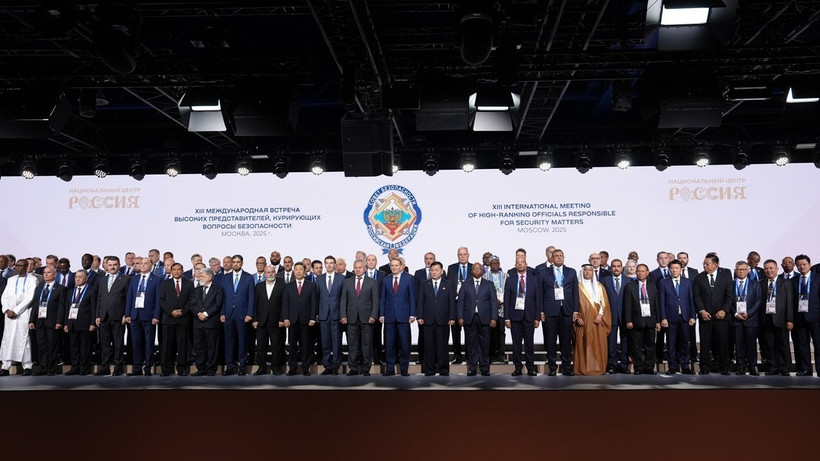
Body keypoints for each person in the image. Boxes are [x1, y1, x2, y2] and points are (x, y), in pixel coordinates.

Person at [693, 253, 734, 375]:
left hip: (721, 316)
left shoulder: (725, 275)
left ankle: (724, 366)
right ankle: (704, 367)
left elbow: (729, 295)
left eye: (707, 264)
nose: (705, 266)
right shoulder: (699, 277)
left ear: (716, 264)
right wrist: (702, 311)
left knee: (723, 342)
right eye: (704, 264)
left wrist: (724, 310)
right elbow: (697, 296)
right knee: (705, 343)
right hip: (705, 316)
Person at [539, 249, 578, 376]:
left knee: (566, 341)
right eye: (557, 256)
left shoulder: (571, 272)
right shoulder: (544, 273)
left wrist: (575, 310)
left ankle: (567, 367)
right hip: (550, 311)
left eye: (561, 256)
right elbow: (540, 294)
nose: (559, 258)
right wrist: (541, 311)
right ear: (552, 257)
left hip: (566, 310)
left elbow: (575, 293)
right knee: (550, 341)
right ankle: (552, 368)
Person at [457, 262, 497, 376]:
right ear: (472, 271)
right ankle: (472, 367)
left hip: (485, 318)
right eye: (474, 268)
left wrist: (494, 318)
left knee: (485, 344)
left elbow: (493, 302)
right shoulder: (465, 284)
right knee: (470, 344)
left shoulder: (489, 284)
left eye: (479, 268)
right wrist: (460, 316)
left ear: (482, 271)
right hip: (470, 318)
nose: (477, 270)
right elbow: (460, 302)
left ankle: (485, 368)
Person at [416, 261, 456, 376]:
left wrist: (452, 317)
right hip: (428, 320)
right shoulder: (424, 284)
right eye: (432, 270)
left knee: (443, 346)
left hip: (443, 320)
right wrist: (420, 316)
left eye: (436, 270)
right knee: (429, 346)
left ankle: (443, 369)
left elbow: (452, 303)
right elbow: (420, 302)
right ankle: (429, 369)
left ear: (442, 271)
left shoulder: (448, 284)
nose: (434, 272)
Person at [340, 260, 379, 376]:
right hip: (351, 318)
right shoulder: (347, 282)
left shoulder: (372, 282)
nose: (358, 269)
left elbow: (376, 301)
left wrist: (373, 315)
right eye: (355, 267)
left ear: (365, 269)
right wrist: (343, 315)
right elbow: (343, 300)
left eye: (360, 267)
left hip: (367, 318)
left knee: (366, 344)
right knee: (352, 344)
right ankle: (353, 368)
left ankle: (366, 368)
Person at [657, 260, 696, 374]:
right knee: (671, 343)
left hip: (685, 317)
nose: (674, 270)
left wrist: (693, 316)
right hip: (670, 318)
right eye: (672, 268)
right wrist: (663, 318)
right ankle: (672, 367)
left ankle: (685, 366)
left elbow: (691, 300)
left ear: (681, 269)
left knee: (685, 342)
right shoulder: (663, 283)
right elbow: (661, 302)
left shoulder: (688, 282)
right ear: (670, 269)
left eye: (677, 268)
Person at [219, 254, 255, 376]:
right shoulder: (225, 278)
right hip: (228, 314)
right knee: (229, 341)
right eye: (233, 262)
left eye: (238, 262)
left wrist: (250, 313)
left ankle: (242, 366)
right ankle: (230, 366)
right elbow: (222, 298)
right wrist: (222, 312)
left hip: (243, 314)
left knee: (242, 341)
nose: (235, 264)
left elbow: (251, 297)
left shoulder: (249, 277)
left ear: (242, 263)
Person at [125, 257, 162, 376]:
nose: (143, 265)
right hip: (135, 315)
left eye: (146, 263)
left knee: (149, 343)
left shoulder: (156, 280)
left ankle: (147, 368)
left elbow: (158, 300)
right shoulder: (134, 279)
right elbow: (129, 297)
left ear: (151, 265)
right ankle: (137, 368)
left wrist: (156, 315)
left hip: (149, 316)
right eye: (141, 263)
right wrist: (127, 314)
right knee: (136, 343)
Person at [380, 258, 416, 376]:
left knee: (405, 344)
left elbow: (412, 298)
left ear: (401, 267)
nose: (394, 267)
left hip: (404, 316)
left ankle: (404, 369)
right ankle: (390, 369)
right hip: (389, 316)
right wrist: (382, 314)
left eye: (396, 265)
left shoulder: (409, 279)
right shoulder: (386, 280)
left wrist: (412, 314)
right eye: (392, 265)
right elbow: (383, 299)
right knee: (389, 344)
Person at [28, 266, 67, 375]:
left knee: (52, 345)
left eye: (49, 272)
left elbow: (61, 307)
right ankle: (43, 367)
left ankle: (51, 368)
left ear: (54, 274)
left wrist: (59, 321)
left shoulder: (61, 288)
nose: (46, 274)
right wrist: (31, 320)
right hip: (40, 321)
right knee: (42, 345)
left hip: (53, 321)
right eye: (44, 272)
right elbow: (35, 305)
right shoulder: (39, 288)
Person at [504, 257, 539, 376]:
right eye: (518, 263)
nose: (520, 264)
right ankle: (517, 368)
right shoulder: (510, 280)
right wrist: (507, 318)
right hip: (515, 317)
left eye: (522, 262)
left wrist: (537, 318)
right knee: (516, 345)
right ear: (515, 265)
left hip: (529, 316)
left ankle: (530, 368)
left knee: (529, 344)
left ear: (526, 264)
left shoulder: (534, 280)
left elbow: (537, 300)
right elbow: (507, 300)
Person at [95, 256, 130, 376]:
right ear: (106, 266)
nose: (112, 267)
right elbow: (100, 298)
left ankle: (117, 367)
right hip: (104, 316)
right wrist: (98, 315)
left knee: (118, 344)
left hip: (118, 316)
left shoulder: (125, 279)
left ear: (119, 265)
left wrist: (126, 314)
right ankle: (105, 367)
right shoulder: (102, 280)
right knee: (104, 344)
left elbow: (128, 298)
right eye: (110, 265)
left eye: (115, 264)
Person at [574, 265, 611, 376]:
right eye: (586, 270)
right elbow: (573, 304)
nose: (588, 272)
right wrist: (578, 318)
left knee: (598, 344)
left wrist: (600, 315)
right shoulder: (577, 287)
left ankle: (598, 367)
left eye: (590, 270)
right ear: (582, 272)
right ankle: (583, 368)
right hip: (583, 321)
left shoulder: (599, 286)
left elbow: (604, 304)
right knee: (583, 344)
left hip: (597, 320)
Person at [159, 262, 194, 376]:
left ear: (182, 271)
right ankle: (166, 369)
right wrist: (171, 311)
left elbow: (191, 300)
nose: (176, 271)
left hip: (183, 319)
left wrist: (183, 311)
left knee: (182, 345)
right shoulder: (165, 283)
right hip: (168, 318)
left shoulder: (189, 284)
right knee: (167, 345)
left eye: (179, 269)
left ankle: (182, 368)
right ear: (171, 271)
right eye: (174, 269)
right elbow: (162, 300)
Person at [623, 264, 660, 375]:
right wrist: (628, 320)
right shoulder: (630, 286)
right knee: (636, 345)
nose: (640, 273)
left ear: (647, 272)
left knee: (650, 346)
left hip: (650, 320)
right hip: (636, 320)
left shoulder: (653, 286)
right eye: (638, 271)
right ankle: (638, 367)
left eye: (643, 271)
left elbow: (656, 304)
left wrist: (658, 320)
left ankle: (649, 367)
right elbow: (627, 305)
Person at [282, 262, 317, 376]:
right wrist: (286, 318)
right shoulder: (288, 286)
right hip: (292, 320)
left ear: (305, 271)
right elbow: (285, 304)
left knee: (306, 346)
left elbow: (313, 303)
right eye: (296, 269)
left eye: (300, 269)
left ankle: (305, 368)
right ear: (293, 271)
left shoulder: (311, 285)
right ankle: (292, 368)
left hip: (306, 321)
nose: (298, 271)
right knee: (292, 346)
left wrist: (312, 318)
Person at [760, 259, 794, 375]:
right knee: (769, 345)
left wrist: (789, 319)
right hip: (766, 319)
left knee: (783, 344)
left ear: (776, 269)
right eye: (766, 268)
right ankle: (772, 367)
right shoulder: (761, 283)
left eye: (771, 268)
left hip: (781, 319)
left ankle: (784, 367)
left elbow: (789, 302)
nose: (768, 271)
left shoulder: (785, 283)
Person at [63, 270, 97, 375]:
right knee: (74, 347)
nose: (77, 279)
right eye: (76, 277)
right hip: (72, 323)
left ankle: (84, 368)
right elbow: (67, 309)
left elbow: (93, 308)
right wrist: (66, 323)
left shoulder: (91, 291)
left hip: (85, 324)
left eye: (80, 277)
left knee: (85, 348)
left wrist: (92, 323)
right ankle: (75, 367)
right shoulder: (70, 291)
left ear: (86, 279)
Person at [252, 265, 285, 375]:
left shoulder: (282, 286)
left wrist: (282, 319)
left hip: (276, 321)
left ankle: (275, 367)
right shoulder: (259, 286)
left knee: (276, 346)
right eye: (268, 272)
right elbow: (255, 304)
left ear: (275, 273)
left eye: (272, 272)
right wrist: (255, 319)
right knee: (261, 346)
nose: (270, 274)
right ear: (264, 274)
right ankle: (261, 367)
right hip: (261, 321)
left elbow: (284, 305)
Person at [731, 261, 762, 375]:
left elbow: (758, 301)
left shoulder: (755, 284)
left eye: (744, 269)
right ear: (735, 271)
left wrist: (749, 313)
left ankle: (752, 366)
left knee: (751, 345)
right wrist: (735, 314)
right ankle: (741, 367)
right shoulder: (731, 284)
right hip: (736, 319)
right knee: (738, 345)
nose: (741, 271)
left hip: (751, 319)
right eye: (739, 269)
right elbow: (728, 302)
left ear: (748, 271)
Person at [192, 268, 223, 376]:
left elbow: (217, 304)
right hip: (198, 323)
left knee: (212, 347)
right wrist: (198, 314)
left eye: (202, 276)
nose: (199, 278)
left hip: (211, 322)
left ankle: (211, 369)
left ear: (209, 277)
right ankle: (201, 369)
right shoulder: (196, 289)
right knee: (199, 347)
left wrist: (205, 314)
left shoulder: (218, 289)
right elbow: (192, 304)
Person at [792, 254, 819, 376]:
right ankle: (805, 369)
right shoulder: (793, 280)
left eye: (804, 264)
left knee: (818, 344)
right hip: (799, 317)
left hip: (816, 317)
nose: (801, 267)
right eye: (799, 265)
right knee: (802, 344)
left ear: (810, 265)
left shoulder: (818, 278)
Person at [317, 256, 344, 375]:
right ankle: (327, 365)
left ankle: (336, 366)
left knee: (336, 342)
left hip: (336, 314)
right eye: (327, 263)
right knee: (325, 342)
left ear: (335, 265)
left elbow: (344, 298)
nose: (329, 265)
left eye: (331, 263)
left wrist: (343, 314)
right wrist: (317, 314)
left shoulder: (342, 278)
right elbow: (317, 297)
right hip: (323, 315)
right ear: (324, 264)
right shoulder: (319, 279)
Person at [601, 259, 629, 374]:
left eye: (618, 266)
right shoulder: (604, 281)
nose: (616, 268)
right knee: (611, 341)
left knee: (625, 341)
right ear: (610, 268)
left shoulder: (629, 280)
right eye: (614, 266)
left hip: (625, 316)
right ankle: (612, 364)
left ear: (622, 267)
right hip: (610, 315)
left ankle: (624, 364)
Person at [447, 247, 472, 365]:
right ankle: (457, 356)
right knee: (455, 332)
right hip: (455, 304)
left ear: (468, 255)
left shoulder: (474, 268)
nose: (462, 256)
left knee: (469, 332)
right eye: (460, 254)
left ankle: (469, 356)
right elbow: (448, 286)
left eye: (464, 254)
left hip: (469, 305)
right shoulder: (451, 268)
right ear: (457, 256)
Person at [484, 255, 508, 363]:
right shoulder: (485, 276)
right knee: (491, 332)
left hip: (502, 308)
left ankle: (501, 355)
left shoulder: (506, 276)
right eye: (492, 263)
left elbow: (508, 291)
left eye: (496, 263)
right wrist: (493, 301)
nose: (495, 265)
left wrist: (501, 301)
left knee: (501, 332)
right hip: (489, 310)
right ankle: (491, 355)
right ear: (489, 265)